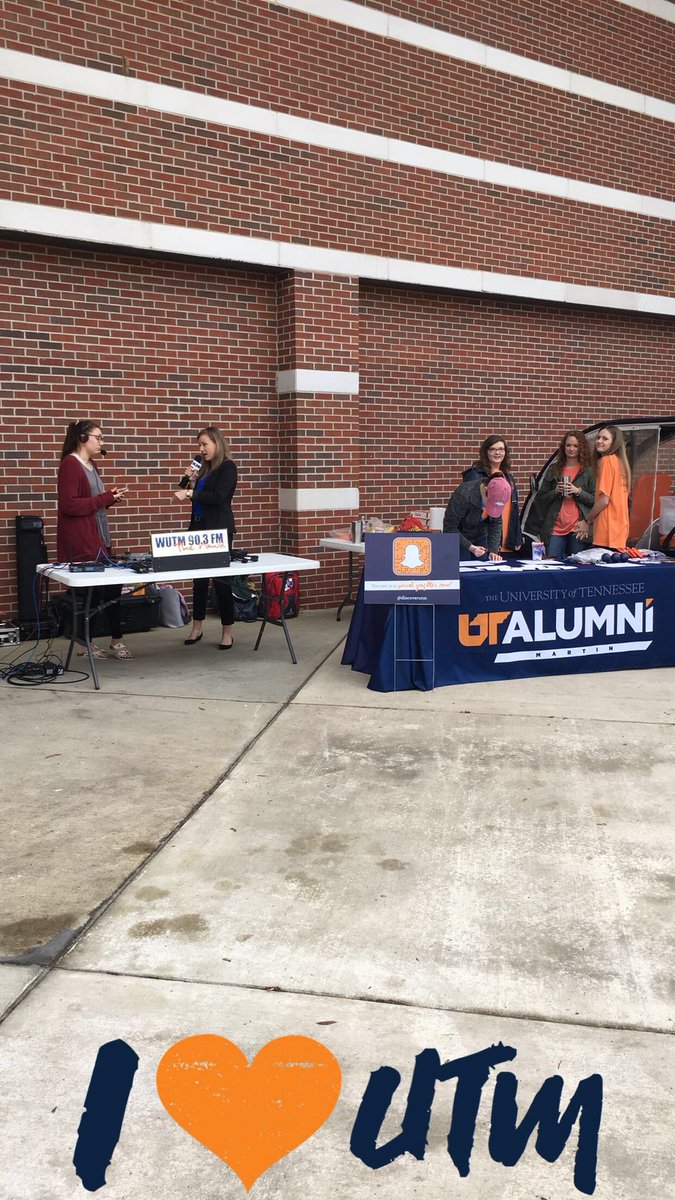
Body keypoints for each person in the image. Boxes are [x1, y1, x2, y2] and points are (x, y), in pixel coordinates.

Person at [56, 419, 133, 660]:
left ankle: (115, 640)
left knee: (111, 589)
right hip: (83, 541)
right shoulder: (71, 464)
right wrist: (103, 499)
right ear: (82, 438)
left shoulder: (93, 465)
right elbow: (69, 505)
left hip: (99, 535)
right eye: (97, 437)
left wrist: (108, 499)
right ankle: (84, 644)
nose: (102, 442)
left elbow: (92, 503)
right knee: (93, 593)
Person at [175, 426, 238, 649]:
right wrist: (190, 482)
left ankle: (227, 632)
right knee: (199, 581)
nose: (201, 449)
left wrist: (192, 492)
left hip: (218, 531)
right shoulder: (203, 469)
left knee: (221, 581)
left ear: (217, 444)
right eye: (199, 445)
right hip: (198, 529)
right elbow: (199, 499)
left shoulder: (227, 468)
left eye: (205, 444)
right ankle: (197, 628)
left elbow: (219, 498)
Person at [536, 429, 595, 557]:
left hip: (579, 527)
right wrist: (555, 491)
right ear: (563, 447)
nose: (571, 449)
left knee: (577, 565)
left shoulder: (588, 470)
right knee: (553, 564)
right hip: (555, 526)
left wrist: (578, 491)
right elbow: (540, 499)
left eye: (576, 446)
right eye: (568, 445)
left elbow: (596, 500)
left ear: (582, 448)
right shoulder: (554, 469)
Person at [462, 435, 522, 552]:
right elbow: (469, 509)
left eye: (501, 449)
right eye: (492, 449)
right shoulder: (475, 475)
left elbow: (514, 508)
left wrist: (516, 536)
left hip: (506, 534)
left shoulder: (508, 477)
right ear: (486, 452)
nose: (497, 452)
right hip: (482, 536)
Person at [575, 425, 631, 549]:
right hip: (620, 528)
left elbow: (604, 500)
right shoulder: (620, 462)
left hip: (607, 529)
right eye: (598, 437)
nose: (599, 441)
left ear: (614, 442)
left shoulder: (607, 461)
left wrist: (586, 521)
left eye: (605, 439)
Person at [443, 472, 511, 560]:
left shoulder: (499, 495)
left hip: (481, 536)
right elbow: (449, 527)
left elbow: (496, 523)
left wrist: (493, 550)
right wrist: (470, 547)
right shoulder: (464, 494)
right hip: (459, 537)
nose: (490, 507)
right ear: (486, 489)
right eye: (490, 503)